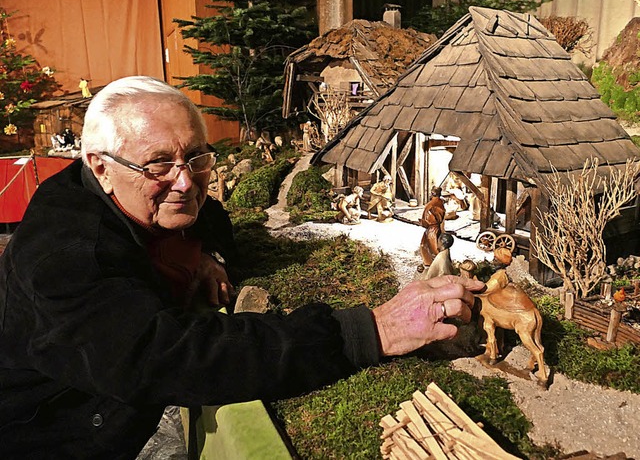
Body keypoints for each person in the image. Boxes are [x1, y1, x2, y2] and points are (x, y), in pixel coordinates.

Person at [0, 76, 484, 458]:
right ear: (100, 166)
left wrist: (206, 254)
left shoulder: (133, 187)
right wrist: (369, 331)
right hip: (58, 433)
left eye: (196, 158)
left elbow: (209, 212)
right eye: (159, 165)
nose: (185, 182)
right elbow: (167, 359)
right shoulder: (63, 257)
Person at [419, 186, 446, 269]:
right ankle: (428, 262)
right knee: (424, 245)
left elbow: (439, 216)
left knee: (434, 247)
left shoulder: (436, 203)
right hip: (430, 227)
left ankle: (437, 264)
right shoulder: (434, 202)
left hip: (433, 228)